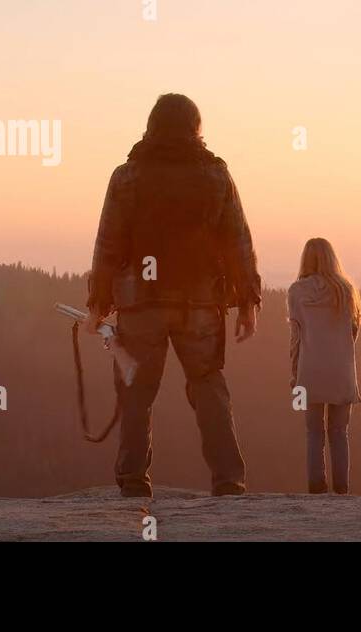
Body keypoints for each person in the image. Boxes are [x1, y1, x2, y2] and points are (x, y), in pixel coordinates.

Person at [85, 94, 261, 498]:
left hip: (141, 301)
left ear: (151, 126)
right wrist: (248, 302)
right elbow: (238, 240)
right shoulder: (215, 175)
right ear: (196, 128)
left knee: (136, 390)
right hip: (199, 302)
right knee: (208, 386)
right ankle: (229, 482)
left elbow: (108, 242)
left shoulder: (127, 176)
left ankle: (133, 482)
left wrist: (98, 304)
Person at [288, 238, 361, 494]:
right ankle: (342, 490)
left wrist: (294, 374)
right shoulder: (346, 290)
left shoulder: (296, 292)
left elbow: (296, 338)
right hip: (341, 372)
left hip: (309, 371)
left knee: (313, 432)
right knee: (339, 431)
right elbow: (352, 333)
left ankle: (316, 488)